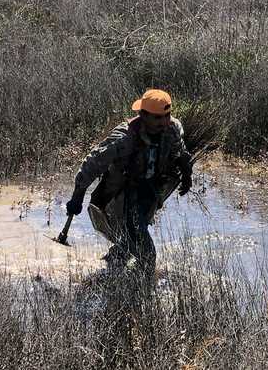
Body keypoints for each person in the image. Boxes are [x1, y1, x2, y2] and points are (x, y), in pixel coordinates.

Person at [64, 89, 193, 277]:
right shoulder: (123, 138)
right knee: (144, 246)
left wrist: (186, 175)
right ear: (143, 115)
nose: (164, 122)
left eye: (167, 115)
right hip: (124, 191)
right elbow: (91, 165)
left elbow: (180, 152)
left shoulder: (172, 129)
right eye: (158, 118)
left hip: (151, 188)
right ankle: (141, 285)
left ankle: (114, 263)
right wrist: (77, 198)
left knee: (134, 232)